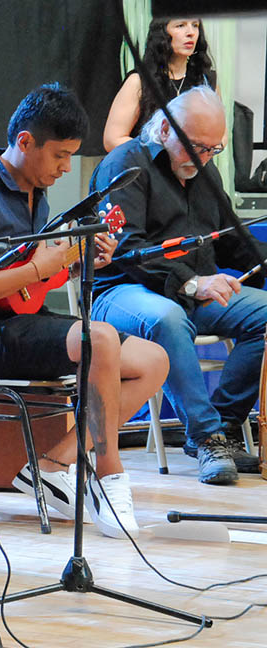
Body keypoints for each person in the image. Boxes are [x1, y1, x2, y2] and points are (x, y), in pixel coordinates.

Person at [0, 83, 169, 537]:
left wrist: (79, 261)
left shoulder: (34, 192)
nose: (65, 169)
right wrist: (41, 265)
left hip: (18, 325)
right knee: (97, 339)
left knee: (153, 360)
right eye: (60, 156)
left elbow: (33, 278)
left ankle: (55, 462)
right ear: (25, 142)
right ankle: (109, 474)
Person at [92, 85, 267, 485]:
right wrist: (193, 284)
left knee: (265, 316)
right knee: (168, 317)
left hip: (194, 289)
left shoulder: (204, 168)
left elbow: (230, 239)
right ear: (166, 130)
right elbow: (126, 250)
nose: (205, 158)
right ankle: (206, 437)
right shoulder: (125, 164)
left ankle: (221, 427)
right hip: (123, 291)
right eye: (197, 147)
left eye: (213, 150)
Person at [103, 17, 218, 152]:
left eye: (195, 25)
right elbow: (112, 139)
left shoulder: (205, 79)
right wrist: (165, 152)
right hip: (150, 167)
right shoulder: (138, 81)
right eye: (180, 26)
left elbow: (220, 136)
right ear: (162, 33)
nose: (191, 32)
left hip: (196, 167)